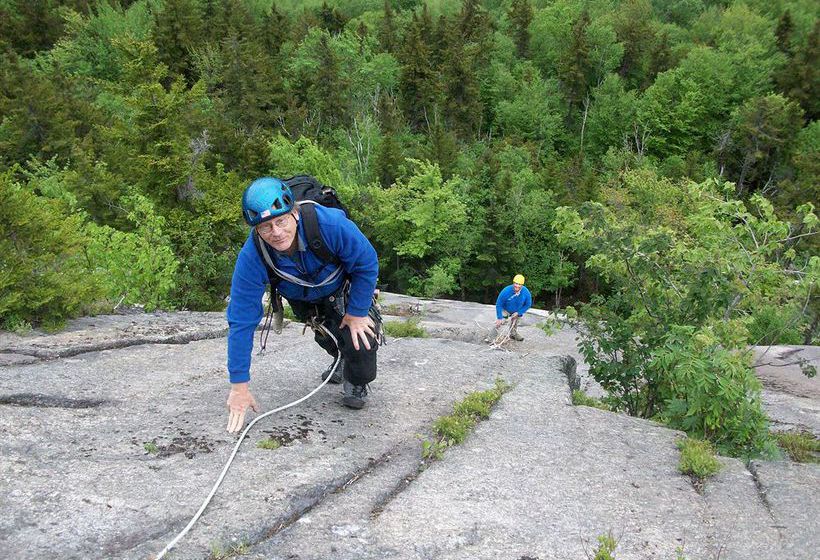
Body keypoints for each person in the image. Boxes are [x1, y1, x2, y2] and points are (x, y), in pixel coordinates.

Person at [225, 177, 381, 433]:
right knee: (327, 336)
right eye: (265, 227)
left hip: (342, 288)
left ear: (294, 212)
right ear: (256, 229)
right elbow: (241, 319)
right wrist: (239, 387)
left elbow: (366, 261)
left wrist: (357, 312)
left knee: (360, 343)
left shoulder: (329, 224)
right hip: (302, 298)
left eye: (281, 221)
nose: (275, 232)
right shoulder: (253, 256)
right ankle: (339, 358)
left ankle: (356, 377)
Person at [494, 274, 532, 342]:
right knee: (501, 321)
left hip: (517, 311)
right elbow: (499, 304)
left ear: (522, 285)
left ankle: (513, 334)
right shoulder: (506, 291)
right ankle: (491, 336)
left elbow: (528, 304)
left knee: (515, 323)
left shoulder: (526, 292)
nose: (517, 286)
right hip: (506, 310)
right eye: (516, 283)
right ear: (513, 283)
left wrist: (518, 312)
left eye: (519, 284)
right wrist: (499, 317)